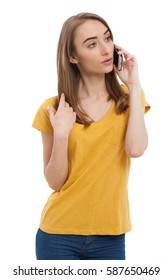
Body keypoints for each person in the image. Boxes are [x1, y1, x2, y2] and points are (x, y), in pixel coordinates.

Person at [32, 12, 150, 260]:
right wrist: (61, 135)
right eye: (92, 44)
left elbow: (136, 149)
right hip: (57, 235)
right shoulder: (53, 108)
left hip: (111, 235)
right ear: (73, 57)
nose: (106, 50)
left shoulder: (130, 99)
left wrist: (134, 84)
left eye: (107, 39)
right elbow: (55, 182)